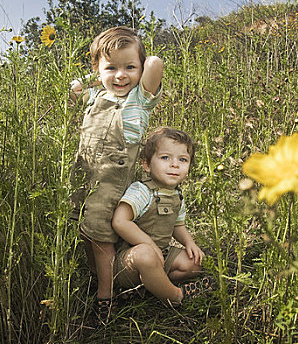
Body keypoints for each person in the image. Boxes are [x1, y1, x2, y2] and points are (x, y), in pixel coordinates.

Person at [69, 26, 164, 322]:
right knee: (84, 230)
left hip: (110, 183)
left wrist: (133, 58)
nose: (120, 75)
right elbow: (74, 90)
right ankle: (96, 276)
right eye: (112, 68)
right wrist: (96, 75)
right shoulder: (95, 94)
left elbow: (155, 63)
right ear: (98, 70)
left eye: (129, 67)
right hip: (82, 174)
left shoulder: (140, 99)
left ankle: (105, 295)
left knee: (101, 238)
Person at [112, 128, 211, 307]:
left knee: (195, 264)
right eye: (165, 158)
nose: (175, 165)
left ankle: (156, 285)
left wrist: (190, 243)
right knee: (145, 254)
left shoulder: (176, 195)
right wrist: (149, 244)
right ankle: (175, 296)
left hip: (161, 254)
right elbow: (120, 221)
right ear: (147, 164)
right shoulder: (141, 191)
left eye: (182, 160)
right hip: (130, 261)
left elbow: (177, 225)